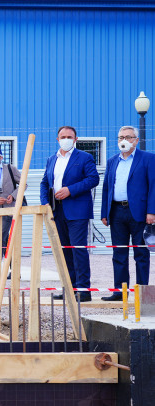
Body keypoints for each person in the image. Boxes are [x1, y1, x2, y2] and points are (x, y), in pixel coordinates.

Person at [40, 126, 99, 302]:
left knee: (78, 250)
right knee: (64, 250)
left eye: (69, 137)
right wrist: (45, 203)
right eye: (63, 136)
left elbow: (93, 179)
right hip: (57, 211)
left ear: (75, 139)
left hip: (77, 211)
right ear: (57, 139)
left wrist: (70, 190)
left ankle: (83, 290)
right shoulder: (52, 159)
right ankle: (69, 287)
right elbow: (44, 183)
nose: (66, 139)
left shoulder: (85, 157)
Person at [100, 126, 155, 301]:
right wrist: (104, 212)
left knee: (141, 254)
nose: (124, 140)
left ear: (136, 140)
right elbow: (107, 188)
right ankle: (119, 292)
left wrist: (152, 211)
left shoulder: (148, 159)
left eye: (128, 137)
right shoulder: (112, 161)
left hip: (140, 213)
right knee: (119, 254)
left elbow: (153, 186)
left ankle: (143, 295)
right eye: (120, 137)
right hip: (117, 212)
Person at [0, 147, 24, 272]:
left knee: (0, 237)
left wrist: (13, 196)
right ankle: (14, 270)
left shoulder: (10, 169)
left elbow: (23, 184)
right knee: (7, 239)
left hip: (10, 209)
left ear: (2, 157)